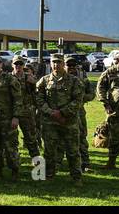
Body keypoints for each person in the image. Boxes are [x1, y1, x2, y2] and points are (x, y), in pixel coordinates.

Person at [36, 55, 84, 184]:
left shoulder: (74, 81)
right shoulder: (44, 81)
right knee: (49, 151)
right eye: (54, 62)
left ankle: (76, 177)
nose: (56, 65)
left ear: (63, 64)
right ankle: (49, 175)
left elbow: (78, 100)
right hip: (50, 122)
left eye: (59, 62)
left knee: (73, 151)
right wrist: (52, 113)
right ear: (50, 64)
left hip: (69, 122)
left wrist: (63, 113)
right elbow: (39, 100)